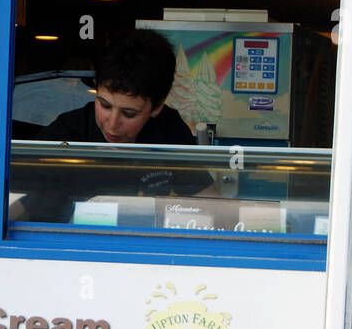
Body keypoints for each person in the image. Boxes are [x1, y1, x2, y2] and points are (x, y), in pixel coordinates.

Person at [14, 29, 213, 222]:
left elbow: (209, 202)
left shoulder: (169, 130)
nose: (112, 124)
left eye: (129, 113)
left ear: (157, 107)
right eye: (104, 105)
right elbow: (17, 203)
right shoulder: (66, 133)